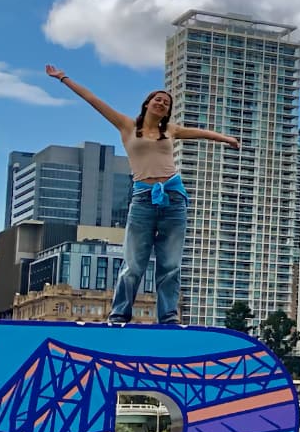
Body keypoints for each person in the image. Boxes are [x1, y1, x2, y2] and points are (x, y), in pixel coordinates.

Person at [44, 65, 241, 325]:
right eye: (157, 99)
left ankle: (168, 317)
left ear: (167, 111)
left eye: (166, 102)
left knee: (170, 265)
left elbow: (201, 133)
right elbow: (93, 100)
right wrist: (63, 78)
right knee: (133, 264)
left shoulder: (170, 131)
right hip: (143, 200)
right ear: (147, 104)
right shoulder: (126, 125)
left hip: (173, 198)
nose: (161, 103)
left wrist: (227, 139)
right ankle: (119, 315)